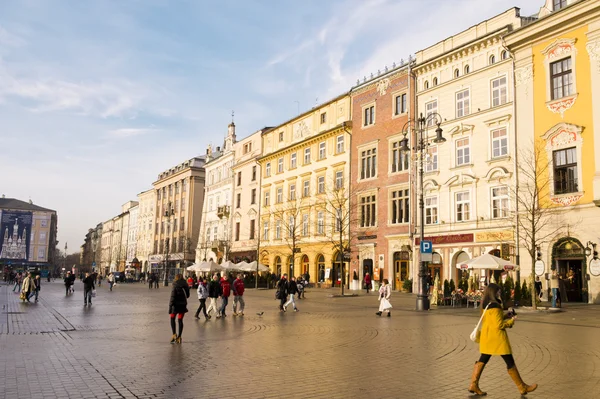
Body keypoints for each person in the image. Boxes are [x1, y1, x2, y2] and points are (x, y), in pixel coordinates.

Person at [468, 283, 537, 396]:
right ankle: (522, 387)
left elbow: (493, 320)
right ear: (493, 292)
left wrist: (506, 315)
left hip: (487, 337)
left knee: (483, 360)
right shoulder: (495, 305)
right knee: (509, 361)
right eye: (498, 292)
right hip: (497, 339)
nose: (499, 293)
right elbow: (499, 325)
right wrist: (511, 321)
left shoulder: (486, 304)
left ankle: (473, 384)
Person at [168, 274, 190, 344]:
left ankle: (174, 334)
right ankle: (179, 337)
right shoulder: (185, 284)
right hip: (183, 304)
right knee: (180, 320)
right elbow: (188, 295)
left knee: (172, 318)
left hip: (175, 305)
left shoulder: (175, 284)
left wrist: (170, 306)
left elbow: (172, 296)